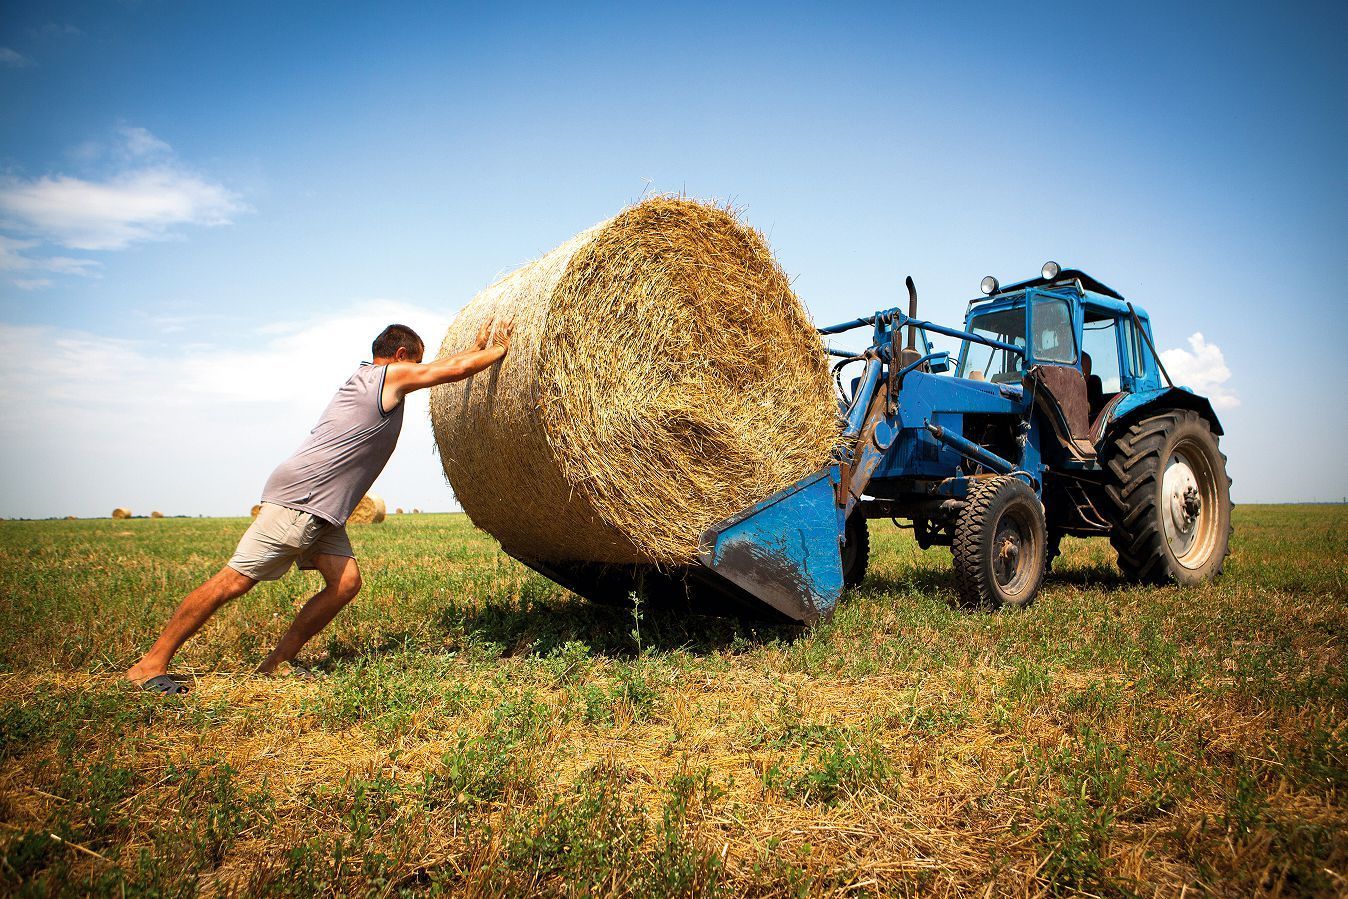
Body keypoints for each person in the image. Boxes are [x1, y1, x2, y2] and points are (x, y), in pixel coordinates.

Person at [125, 317, 513, 694]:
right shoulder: (386, 377)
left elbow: (443, 366)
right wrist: (499, 350)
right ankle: (150, 665)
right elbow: (453, 371)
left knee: (345, 584)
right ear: (398, 356)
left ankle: (275, 664)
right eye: (415, 362)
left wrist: (476, 347)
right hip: (304, 498)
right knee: (234, 581)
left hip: (325, 505)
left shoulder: (370, 378)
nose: (418, 372)